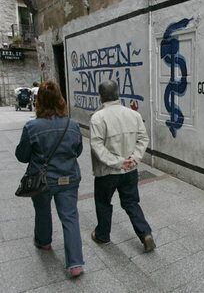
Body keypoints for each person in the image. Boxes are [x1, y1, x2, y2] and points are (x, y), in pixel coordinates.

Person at [15, 81, 84, 277]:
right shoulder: (73, 125)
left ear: (39, 102)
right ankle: (75, 263)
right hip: (69, 178)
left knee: (42, 211)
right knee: (70, 217)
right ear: (60, 100)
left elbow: (22, 156)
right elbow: (77, 151)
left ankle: (44, 242)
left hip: (41, 180)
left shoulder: (32, 127)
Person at [89, 80, 155, 252]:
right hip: (130, 170)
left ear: (101, 96)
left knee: (103, 203)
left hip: (107, 172)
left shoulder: (97, 118)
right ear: (118, 94)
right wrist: (134, 158)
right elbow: (143, 139)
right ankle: (145, 234)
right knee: (131, 203)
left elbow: (97, 147)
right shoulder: (133, 114)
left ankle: (103, 235)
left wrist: (117, 162)